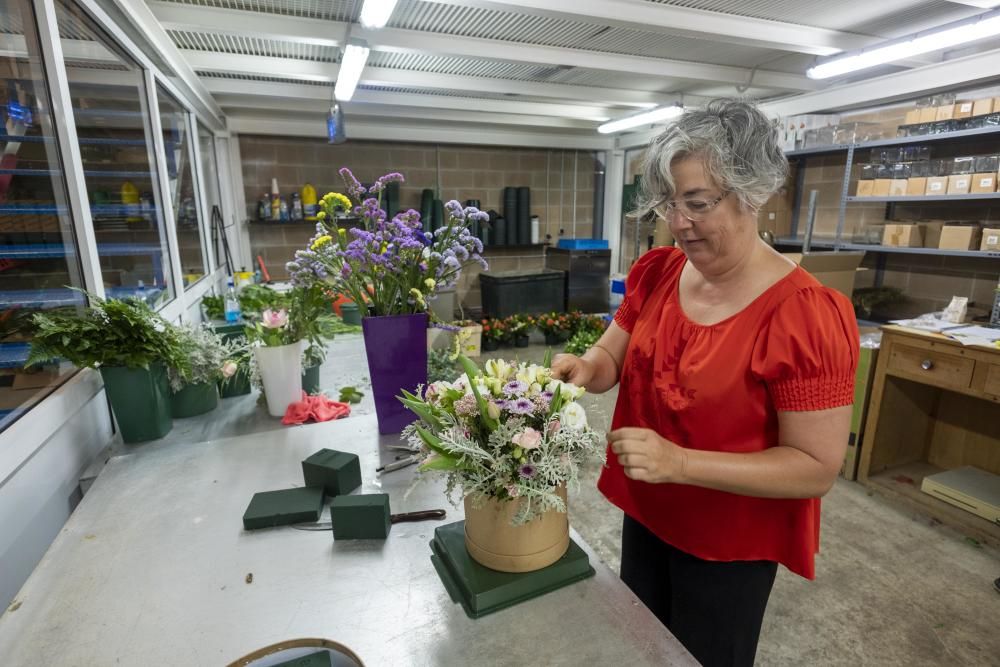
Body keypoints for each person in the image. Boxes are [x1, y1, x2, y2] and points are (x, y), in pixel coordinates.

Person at [551, 99, 859, 667]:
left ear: (755, 193)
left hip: (727, 548)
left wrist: (683, 463)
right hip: (649, 512)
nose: (679, 222)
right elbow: (611, 357)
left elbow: (814, 467)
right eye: (670, 203)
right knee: (641, 648)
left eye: (697, 203)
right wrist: (586, 368)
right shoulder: (661, 273)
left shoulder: (804, 315)